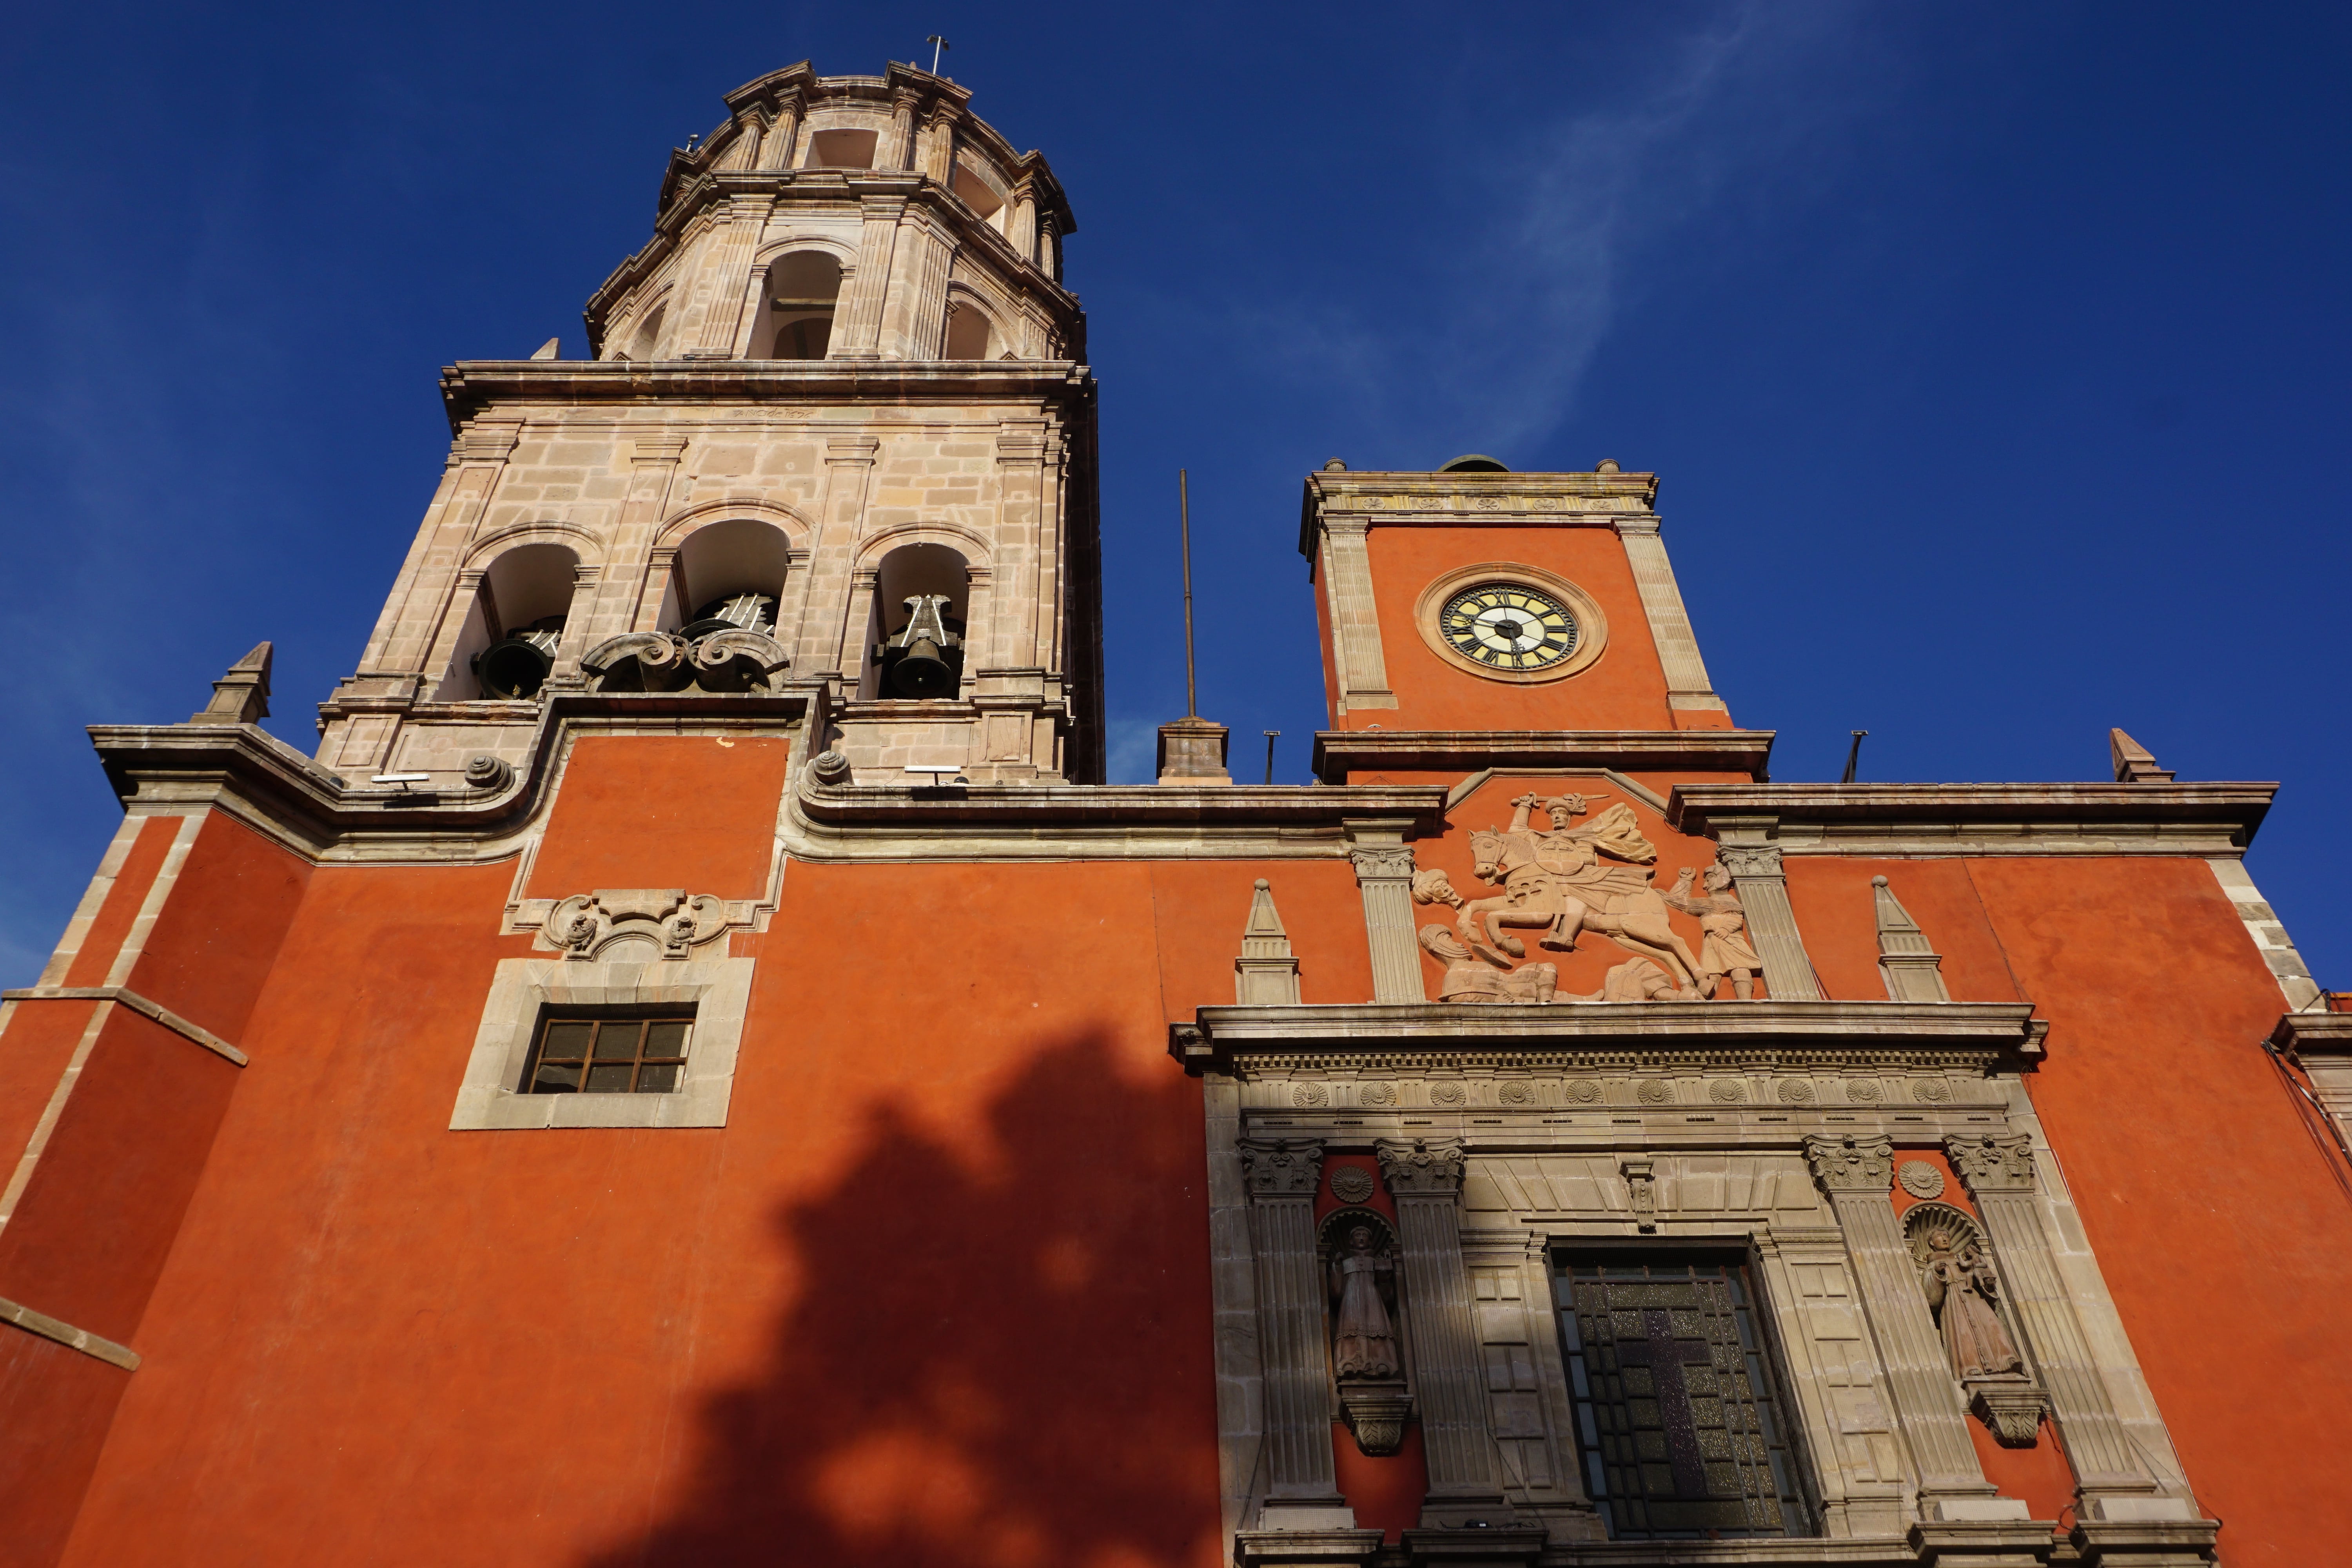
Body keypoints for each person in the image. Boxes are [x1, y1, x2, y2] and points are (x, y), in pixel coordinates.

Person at [1921, 1235, 2024, 1378]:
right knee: (1963, 1332)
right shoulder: (1932, 1266)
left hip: (1975, 1298)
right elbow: (1931, 1298)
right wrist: (1938, 1274)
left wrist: (1985, 1281)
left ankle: (2007, 1360)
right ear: (1932, 1243)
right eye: (1940, 1237)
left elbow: (1981, 1279)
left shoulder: (1962, 1260)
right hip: (1954, 1301)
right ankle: (1970, 1367)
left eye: (1946, 1236)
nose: (1945, 1239)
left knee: (1991, 1326)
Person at [1328, 1225, 1399, 1379]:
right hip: (1351, 1303)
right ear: (1351, 1242)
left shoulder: (1376, 1262)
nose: (1361, 1238)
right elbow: (1337, 1292)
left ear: (1371, 1241)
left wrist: (1383, 1277)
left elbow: (1387, 1294)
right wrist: (1338, 1267)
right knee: (1350, 1331)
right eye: (1357, 1235)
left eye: (1364, 1235)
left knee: (1377, 1330)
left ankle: (1382, 1363)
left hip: (1373, 1302)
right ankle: (1349, 1363)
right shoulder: (1346, 1263)